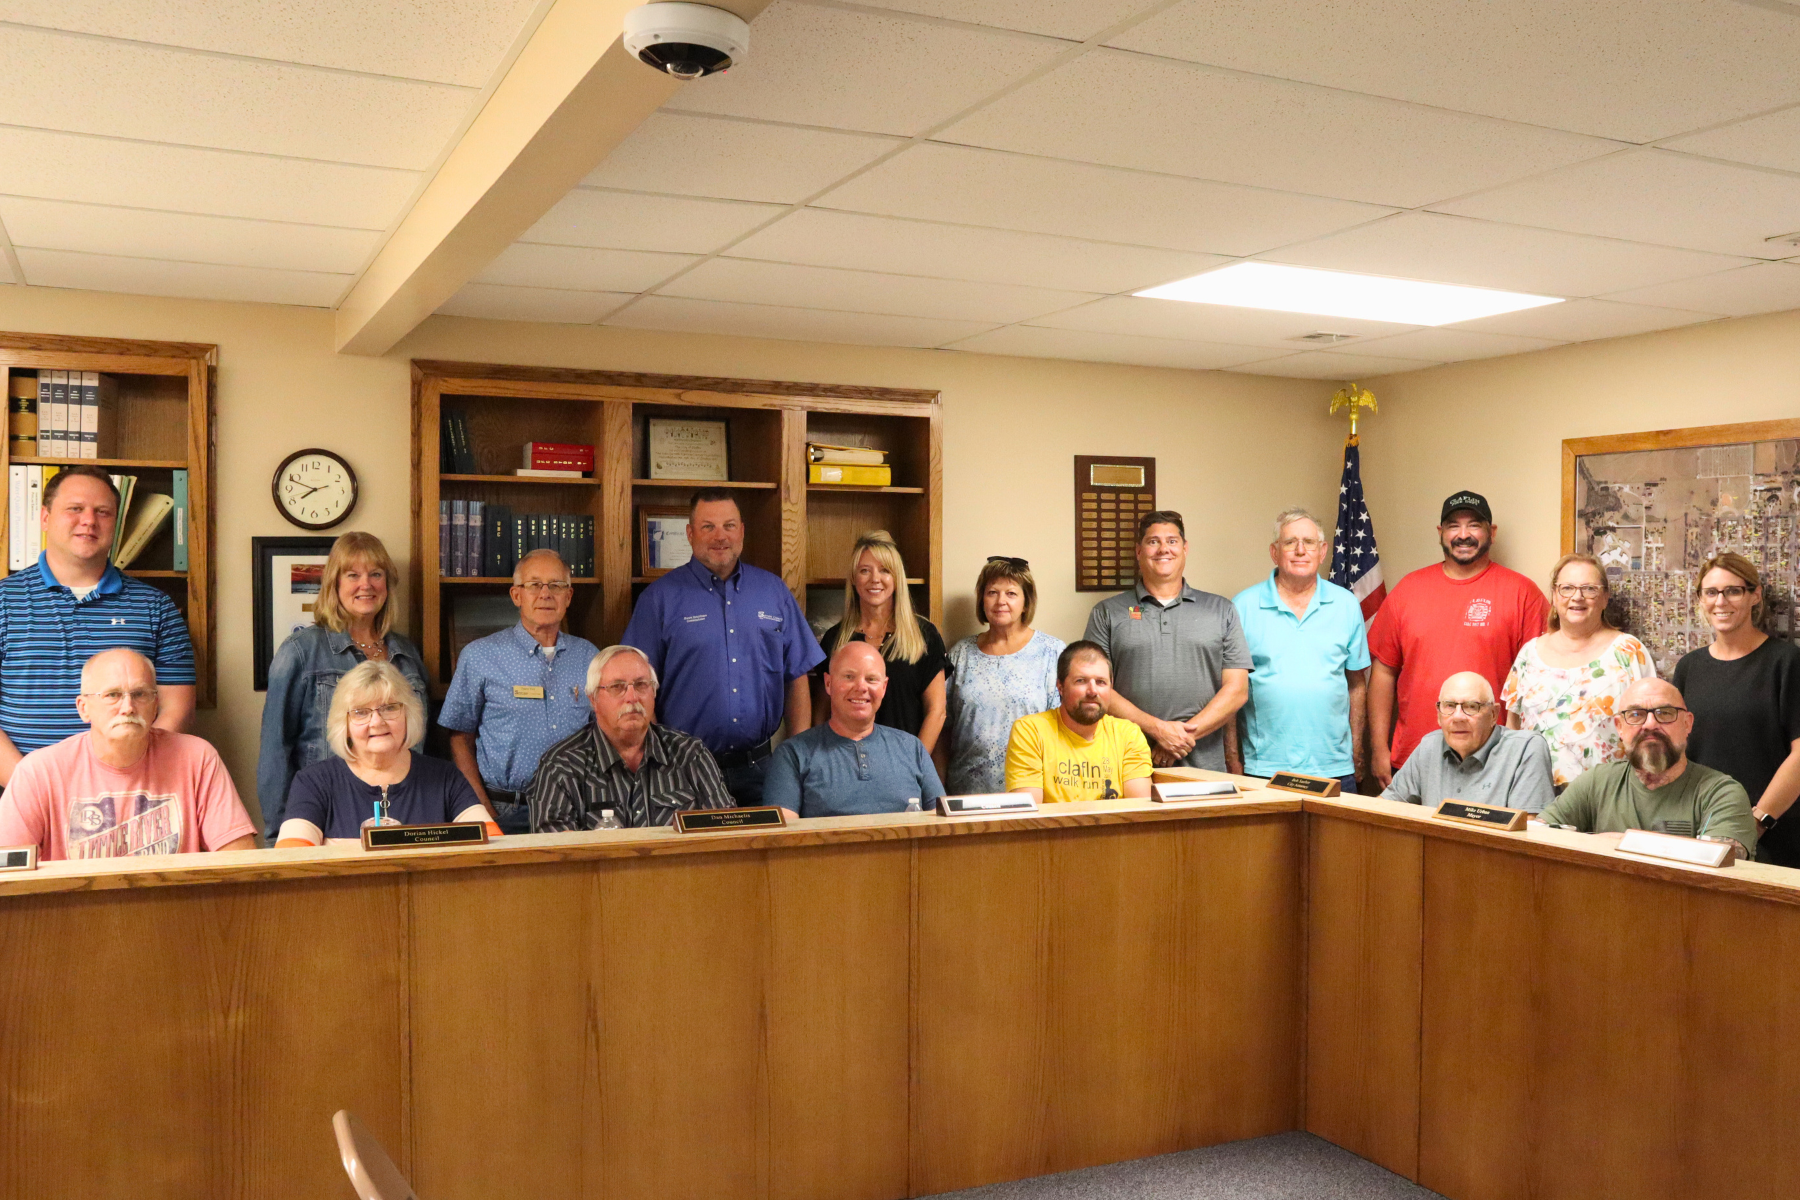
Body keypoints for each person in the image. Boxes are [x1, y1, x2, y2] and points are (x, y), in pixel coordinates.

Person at [622, 488, 823, 807]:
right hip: (684, 770)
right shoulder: (659, 599)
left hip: (763, 770)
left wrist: (795, 756)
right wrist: (663, 759)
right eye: (708, 527)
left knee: (766, 856)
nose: (720, 536)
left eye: (729, 526)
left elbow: (796, 675)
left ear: (742, 531)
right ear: (690, 533)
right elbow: (635, 687)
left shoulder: (773, 592)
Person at [0, 465, 196, 785]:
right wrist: (30, 787)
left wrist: (122, 777)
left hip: (130, 793)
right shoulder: (4, 601)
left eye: (102, 512)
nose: (89, 520)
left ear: (116, 525)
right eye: (75, 509)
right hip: (17, 793)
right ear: (46, 518)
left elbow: (177, 710)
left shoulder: (156, 608)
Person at [1368, 490, 1548, 788]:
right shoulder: (1408, 590)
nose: (1463, 534)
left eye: (1474, 525)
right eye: (1453, 525)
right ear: (1441, 533)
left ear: (1492, 532)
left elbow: (1537, 682)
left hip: (1495, 762)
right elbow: (1384, 672)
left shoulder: (1522, 593)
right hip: (1414, 759)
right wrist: (1378, 750)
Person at [0, 648, 253, 859]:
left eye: (140, 694)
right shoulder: (38, 772)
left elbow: (241, 862)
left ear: (155, 705)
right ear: (83, 708)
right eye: (112, 695)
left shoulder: (198, 758)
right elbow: (8, 874)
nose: (128, 707)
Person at [257, 531, 427, 842]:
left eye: (376, 574)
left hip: (405, 820)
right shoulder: (300, 651)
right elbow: (275, 752)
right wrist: (281, 837)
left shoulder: (408, 654)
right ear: (334, 585)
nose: (367, 584)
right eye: (353, 575)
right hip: (326, 822)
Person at [439, 549, 598, 835]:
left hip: (576, 811)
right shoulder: (480, 656)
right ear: (516, 596)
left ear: (569, 596)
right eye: (534, 585)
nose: (546, 594)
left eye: (557, 585)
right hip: (505, 811)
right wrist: (482, 811)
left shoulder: (589, 657)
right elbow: (459, 738)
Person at [1083, 510, 1250, 770]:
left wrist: (1182, 738)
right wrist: (1159, 730)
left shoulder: (1221, 610)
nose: (1164, 549)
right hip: (1126, 762)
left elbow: (1236, 691)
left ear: (1185, 548)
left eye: (1172, 541)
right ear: (1138, 551)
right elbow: (1097, 689)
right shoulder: (1107, 613)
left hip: (1205, 766)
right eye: (1153, 542)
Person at [1670, 553, 1800, 866]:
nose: (1721, 601)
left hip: (1772, 834)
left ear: (1755, 595)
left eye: (1733, 590)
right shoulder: (1689, 667)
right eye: (1711, 592)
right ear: (1700, 599)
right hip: (1699, 831)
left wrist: (1755, 822)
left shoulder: (1786, 662)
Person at [1229, 508, 1370, 793]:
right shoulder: (1242, 606)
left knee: (1336, 840)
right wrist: (1232, 758)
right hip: (1263, 767)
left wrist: (1356, 750)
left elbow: (1356, 685)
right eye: (1290, 542)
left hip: (1335, 766)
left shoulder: (1346, 605)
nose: (1300, 550)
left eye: (1309, 542)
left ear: (1322, 551)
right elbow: (1230, 691)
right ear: (1274, 552)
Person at [274, 662, 491, 846]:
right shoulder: (313, 783)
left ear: (409, 714)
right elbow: (291, 861)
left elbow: (492, 849)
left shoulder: (446, 778)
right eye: (361, 712)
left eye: (389, 708)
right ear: (344, 724)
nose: (377, 722)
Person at [1538, 677, 1757, 859]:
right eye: (1635, 715)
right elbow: (1539, 835)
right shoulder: (1597, 781)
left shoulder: (1721, 793)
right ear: (1620, 728)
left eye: (1665, 713)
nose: (1650, 724)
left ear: (1687, 724)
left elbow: (1724, 862)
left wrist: (1618, 842)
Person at [528, 644, 733, 831]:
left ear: (653, 692)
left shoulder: (690, 755)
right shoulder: (561, 767)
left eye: (642, 685)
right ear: (593, 699)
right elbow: (556, 858)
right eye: (617, 687)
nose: (632, 697)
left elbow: (728, 833)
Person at [1501, 553, 1656, 790]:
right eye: (1567, 588)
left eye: (1589, 589)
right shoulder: (1529, 654)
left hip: (1610, 795)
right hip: (1535, 795)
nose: (1577, 597)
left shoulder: (1629, 651)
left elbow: (1651, 728)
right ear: (1554, 595)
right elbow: (1513, 727)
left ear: (1605, 598)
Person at [765, 641, 944, 819]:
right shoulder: (792, 755)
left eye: (871, 679)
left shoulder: (913, 748)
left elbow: (941, 827)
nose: (861, 687)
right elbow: (782, 840)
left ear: (884, 687)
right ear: (828, 683)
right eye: (849, 677)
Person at [814, 530, 948, 754]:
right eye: (865, 571)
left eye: (885, 570)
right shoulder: (836, 639)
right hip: (845, 761)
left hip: (904, 762)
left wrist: (915, 763)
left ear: (896, 578)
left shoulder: (924, 635)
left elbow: (937, 711)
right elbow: (821, 712)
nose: (875, 579)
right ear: (854, 580)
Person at [944, 556, 1064, 794]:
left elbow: (1064, 730)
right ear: (982, 600)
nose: (1001, 601)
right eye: (992, 592)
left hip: (1032, 792)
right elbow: (943, 727)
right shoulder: (960, 654)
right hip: (966, 791)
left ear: (1026, 603)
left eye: (1011, 593)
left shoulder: (1053, 653)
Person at [1380, 671, 1554, 813]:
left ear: (1493, 714)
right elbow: (1383, 809)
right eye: (1449, 706)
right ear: (1438, 715)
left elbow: (1527, 835)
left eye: (1471, 706)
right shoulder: (1429, 746)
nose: (1457, 717)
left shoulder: (1525, 750)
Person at [1005, 641, 1153, 803]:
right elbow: (1030, 818)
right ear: (1060, 687)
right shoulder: (1031, 731)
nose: (1092, 691)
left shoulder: (1128, 734)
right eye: (1081, 681)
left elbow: (1140, 811)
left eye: (1101, 682)